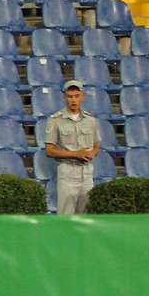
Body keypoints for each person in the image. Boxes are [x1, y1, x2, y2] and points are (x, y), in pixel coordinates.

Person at [45, 80, 101, 215]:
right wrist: (76, 154)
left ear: (82, 97)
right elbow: (49, 151)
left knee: (86, 216)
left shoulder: (91, 120)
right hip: (67, 172)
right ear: (65, 97)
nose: (73, 100)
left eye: (76, 96)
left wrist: (93, 153)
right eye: (70, 96)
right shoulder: (55, 120)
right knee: (65, 216)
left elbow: (97, 145)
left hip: (87, 172)